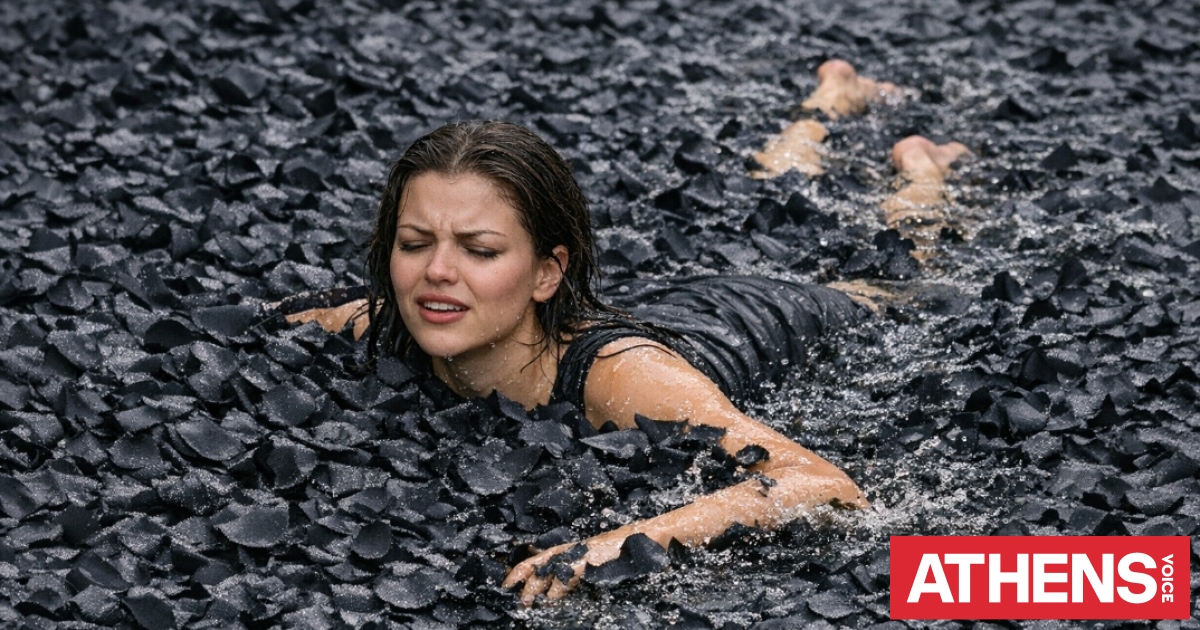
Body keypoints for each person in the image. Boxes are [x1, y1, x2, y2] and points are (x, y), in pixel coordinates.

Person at [275, 60, 970, 604]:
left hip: (785, 313)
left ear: (547, 273)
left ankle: (920, 166)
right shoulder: (389, 318)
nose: (436, 273)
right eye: (414, 243)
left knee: (899, 265)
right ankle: (831, 97)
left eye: (480, 251)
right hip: (673, 302)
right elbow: (282, 317)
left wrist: (623, 542)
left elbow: (823, 485)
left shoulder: (620, 376)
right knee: (777, 196)